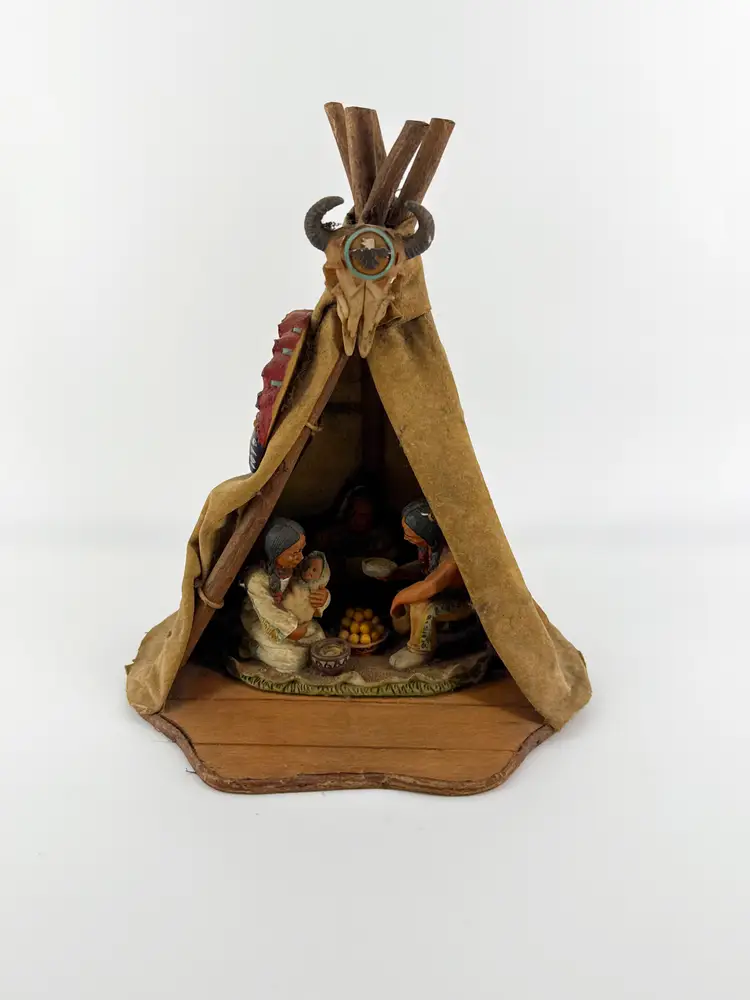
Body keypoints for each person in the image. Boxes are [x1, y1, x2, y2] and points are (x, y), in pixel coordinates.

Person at [384, 499, 474, 670]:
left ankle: (419, 650)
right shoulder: (429, 546)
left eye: (410, 535)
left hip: (462, 601)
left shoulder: (451, 557)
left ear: (427, 531)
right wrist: (398, 573)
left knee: (422, 607)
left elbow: (431, 585)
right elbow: (424, 568)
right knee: (411, 599)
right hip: (441, 594)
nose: (405, 538)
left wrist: (399, 598)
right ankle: (411, 634)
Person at [238, 519, 330, 674]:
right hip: (265, 623)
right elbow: (269, 611)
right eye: (294, 553)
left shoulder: (299, 568)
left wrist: (324, 597)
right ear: (276, 552)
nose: (301, 557)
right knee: (292, 661)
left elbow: (313, 586)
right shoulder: (257, 579)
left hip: (295, 617)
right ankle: (253, 646)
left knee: (319, 640)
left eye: (301, 550)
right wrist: (291, 630)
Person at [281, 551, 331, 630]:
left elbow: (321, 603)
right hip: (283, 618)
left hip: (303, 623)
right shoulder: (294, 580)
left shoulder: (317, 589)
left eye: (314, 570)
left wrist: (325, 598)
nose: (308, 571)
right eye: (306, 567)